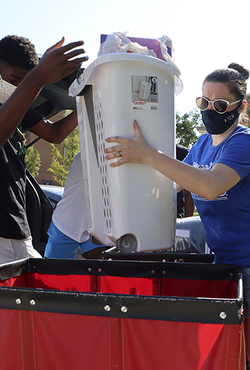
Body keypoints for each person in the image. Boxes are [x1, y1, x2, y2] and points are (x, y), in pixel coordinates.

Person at [104, 63, 250, 355]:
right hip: (225, 261)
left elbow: (210, 186)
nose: (209, 110)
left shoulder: (243, 143)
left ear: (240, 106)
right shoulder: (202, 144)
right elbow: (174, 185)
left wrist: (149, 155)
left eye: (219, 104)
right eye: (203, 102)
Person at [0, 35, 88, 264]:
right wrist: (37, 78)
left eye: (24, 80)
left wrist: (87, 103)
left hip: (15, 224)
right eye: (13, 78)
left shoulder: (14, 103)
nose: (18, 86)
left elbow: (55, 134)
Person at [44, 152, 106, 259]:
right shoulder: (86, 155)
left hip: (96, 225)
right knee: (53, 272)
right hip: (67, 224)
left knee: (103, 270)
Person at [176, 144, 194, 218]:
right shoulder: (138, 150)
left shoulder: (182, 153)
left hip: (177, 219)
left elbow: (189, 191)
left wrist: (187, 221)